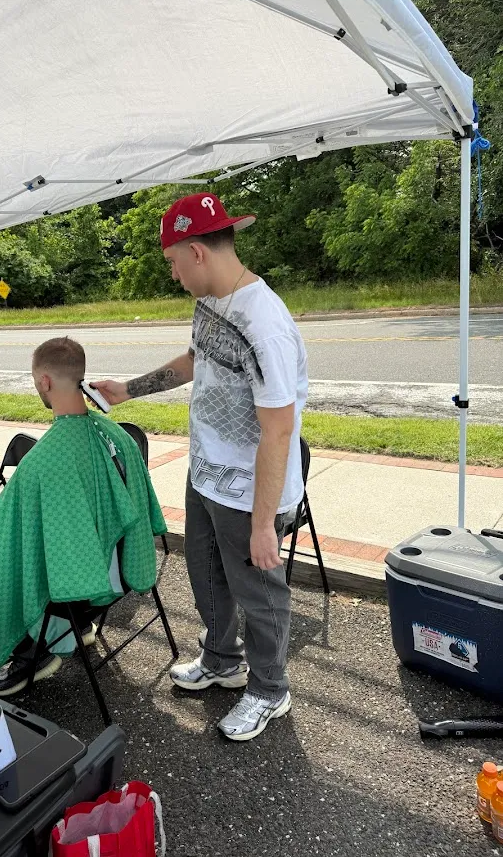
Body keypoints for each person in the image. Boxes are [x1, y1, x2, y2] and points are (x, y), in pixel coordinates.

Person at [93, 193, 308, 741]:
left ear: (195, 252)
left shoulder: (266, 325)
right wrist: (128, 390)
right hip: (207, 473)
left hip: (249, 490)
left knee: (259, 592)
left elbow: (279, 429)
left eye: (171, 261)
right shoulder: (213, 300)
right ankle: (221, 660)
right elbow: (196, 358)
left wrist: (264, 525)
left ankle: (268, 689)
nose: (170, 273)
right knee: (207, 575)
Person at [0, 336, 167, 694]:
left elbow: (19, 545)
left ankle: (38, 650)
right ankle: (77, 624)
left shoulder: (46, 460)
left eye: (36, 382)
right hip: (117, 569)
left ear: (44, 381)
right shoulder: (117, 435)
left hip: (79, 586)